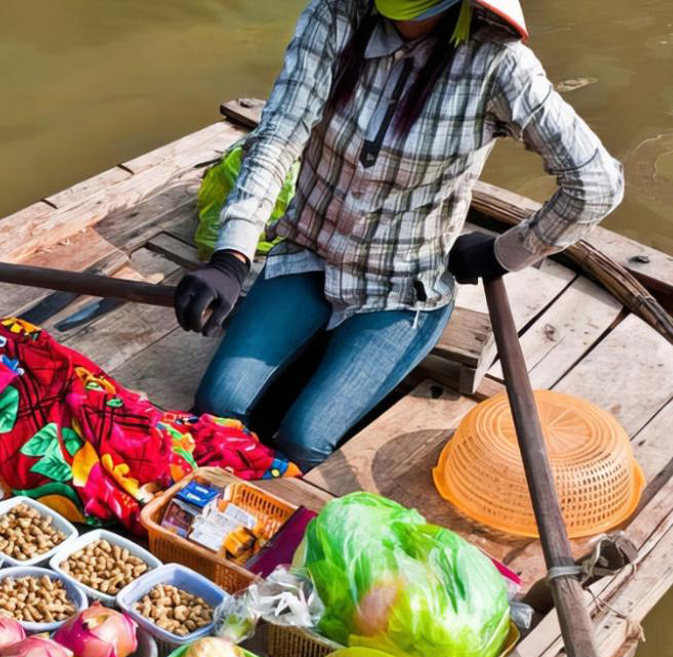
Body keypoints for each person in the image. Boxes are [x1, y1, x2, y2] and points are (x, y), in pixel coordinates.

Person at [176, 0, 623, 468]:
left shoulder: (498, 62)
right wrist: (231, 257)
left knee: (303, 440)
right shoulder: (335, 16)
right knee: (218, 410)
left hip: (404, 288)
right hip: (309, 255)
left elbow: (596, 184)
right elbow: (278, 139)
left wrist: (504, 253)